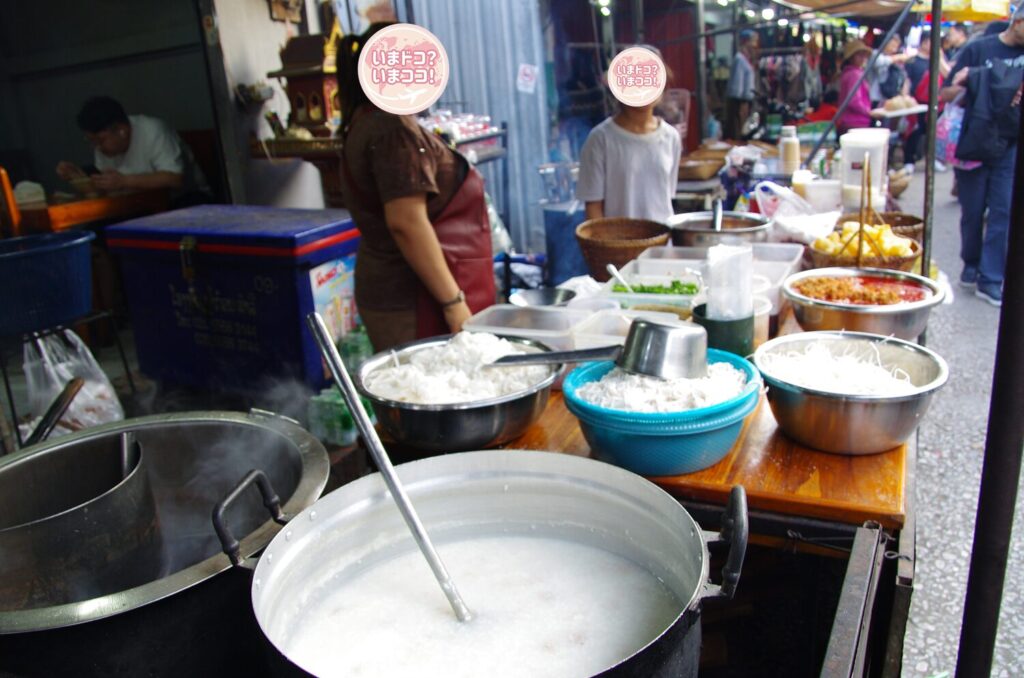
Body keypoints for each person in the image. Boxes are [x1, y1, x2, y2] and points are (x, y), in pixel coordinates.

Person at [336, 24, 494, 351]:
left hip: (401, 289)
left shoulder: (370, 119)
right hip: (415, 298)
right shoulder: (393, 128)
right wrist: (452, 302)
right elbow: (406, 222)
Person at [940, 4, 1024, 306]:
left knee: (1003, 211)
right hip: (973, 144)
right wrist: (968, 81)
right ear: (1017, 21)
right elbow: (945, 94)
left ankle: (991, 278)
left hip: (1010, 146)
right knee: (973, 212)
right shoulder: (978, 49)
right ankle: (971, 265)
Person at [576, 47, 682, 224]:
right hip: (617, 247)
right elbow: (593, 209)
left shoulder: (671, 137)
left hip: (662, 248)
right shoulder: (600, 139)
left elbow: (664, 199)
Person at [56, 96, 209, 203]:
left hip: (185, 199)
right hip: (139, 206)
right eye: (91, 141)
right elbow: (107, 192)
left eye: (100, 140)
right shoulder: (103, 148)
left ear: (122, 131)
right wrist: (80, 178)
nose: (97, 147)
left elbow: (174, 179)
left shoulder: (152, 130)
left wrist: (124, 181)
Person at [903, 30, 950, 171]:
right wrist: (906, 98)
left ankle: (933, 159)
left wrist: (940, 58)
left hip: (937, 103)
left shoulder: (939, 59)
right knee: (914, 132)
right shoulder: (912, 61)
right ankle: (909, 161)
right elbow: (906, 81)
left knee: (935, 132)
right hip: (917, 102)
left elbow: (948, 75)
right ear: (923, 43)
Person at [837, 40, 882, 134]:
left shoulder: (849, 73)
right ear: (851, 57)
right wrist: (869, 112)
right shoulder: (854, 74)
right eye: (859, 55)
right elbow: (854, 101)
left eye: (864, 55)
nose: (863, 58)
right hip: (855, 122)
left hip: (850, 121)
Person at [724, 30, 759, 140]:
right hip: (739, 101)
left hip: (746, 101)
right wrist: (740, 102)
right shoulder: (739, 59)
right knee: (738, 129)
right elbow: (737, 82)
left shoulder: (746, 59)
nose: (754, 45)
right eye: (752, 41)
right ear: (745, 42)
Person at [867, 33, 911, 106]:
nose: (895, 48)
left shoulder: (892, 57)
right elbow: (880, 62)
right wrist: (898, 57)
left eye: (897, 45)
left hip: (887, 97)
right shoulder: (875, 54)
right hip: (873, 96)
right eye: (893, 45)